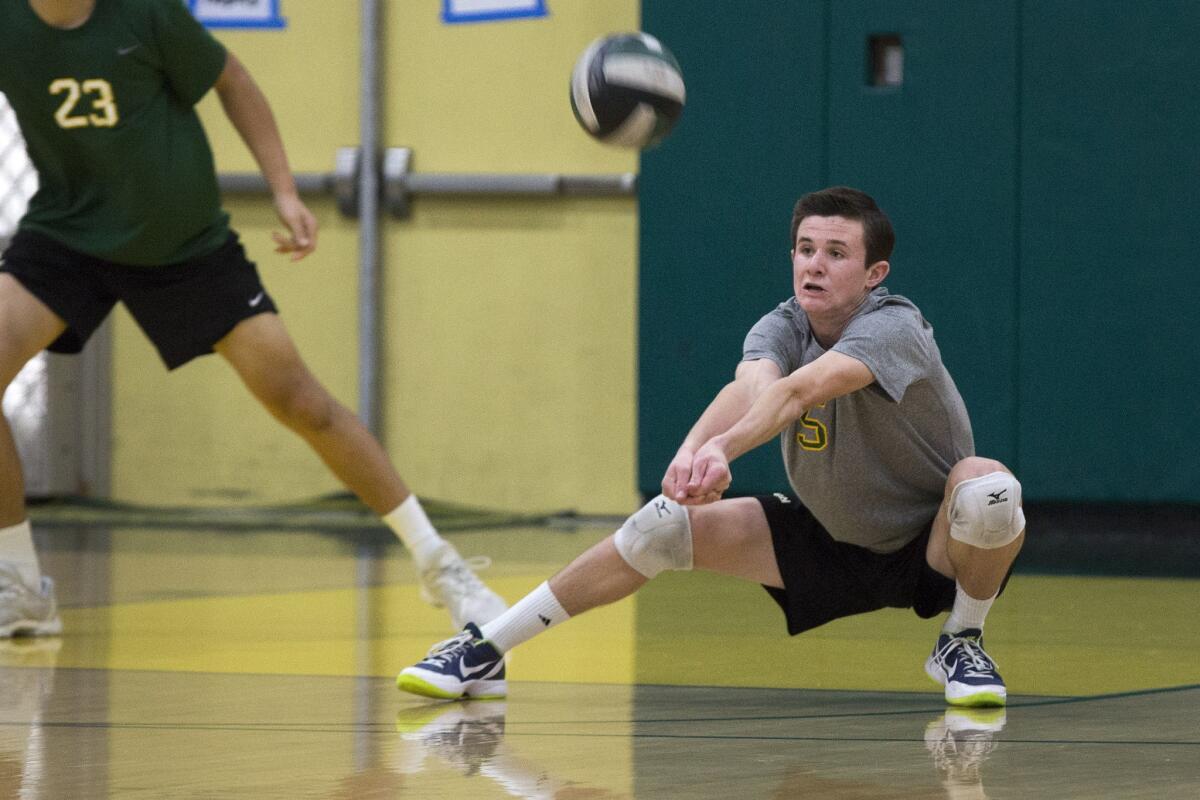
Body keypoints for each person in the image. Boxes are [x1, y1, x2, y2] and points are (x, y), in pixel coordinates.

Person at [397, 186, 1026, 707]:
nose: (814, 264)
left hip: (933, 543)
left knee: (989, 486)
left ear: (873, 274)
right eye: (806, 249)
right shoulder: (780, 325)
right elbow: (755, 386)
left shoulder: (895, 325)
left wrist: (724, 448)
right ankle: (485, 648)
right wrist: (692, 454)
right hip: (827, 535)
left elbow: (802, 391)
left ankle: (961, 640)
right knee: (656, 531)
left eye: (836, 253)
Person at [0, 0, 507, 637]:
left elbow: (233, 80)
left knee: (302, 403)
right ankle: (19, 585)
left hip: (183, 246)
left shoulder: (145, 15)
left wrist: (284, 192)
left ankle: (441, 565)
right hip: (69, 237)